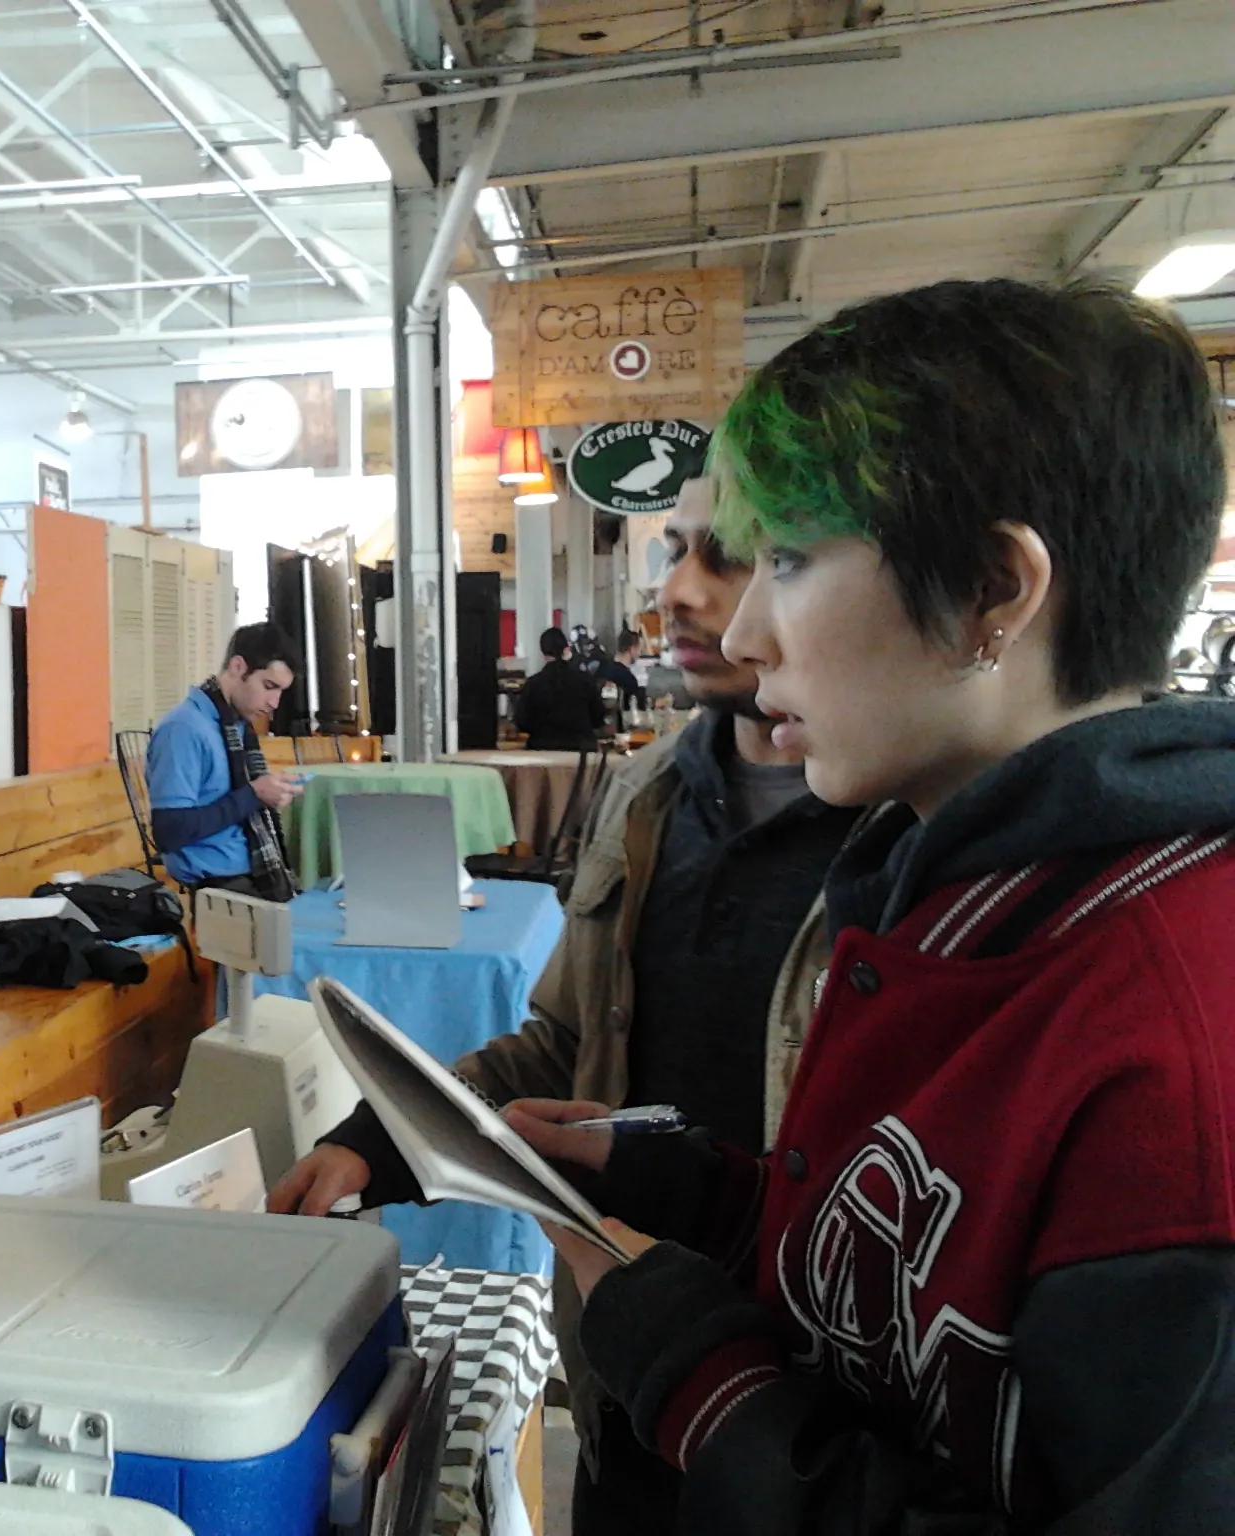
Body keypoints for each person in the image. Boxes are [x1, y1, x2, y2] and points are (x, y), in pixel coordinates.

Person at [516, 278, 1235, 1531]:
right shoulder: (950, 897)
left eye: (788, 559)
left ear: (989, 591)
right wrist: (699, 1191)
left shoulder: (1175, 1050)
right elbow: (926, 1292)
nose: (746, 629)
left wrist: (705, 1382)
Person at [272, 477, 862, 1533]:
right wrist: (380, 1141)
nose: (678, 591)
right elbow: (564, 1048)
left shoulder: (908, 835)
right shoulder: (646, 796)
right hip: (624, 1374)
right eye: (673, 550)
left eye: (733, 555)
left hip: (822, 1435)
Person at [146, 621, 305, 900]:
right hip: (217, 886)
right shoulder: (183, 729)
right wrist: (254, 795)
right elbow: (169, 831)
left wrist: (264, 793)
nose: (275, 703)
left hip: (252, 874)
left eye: (281, 691)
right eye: (269, 686)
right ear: (238, 667)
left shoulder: (235, 726)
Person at [513, 625, 607, 751]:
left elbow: (522, 723)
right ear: (565, 650)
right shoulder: (585, 680)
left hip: (542, 750)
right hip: (581, 751)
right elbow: (598, 719)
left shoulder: (533, 684)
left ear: (543, 652)